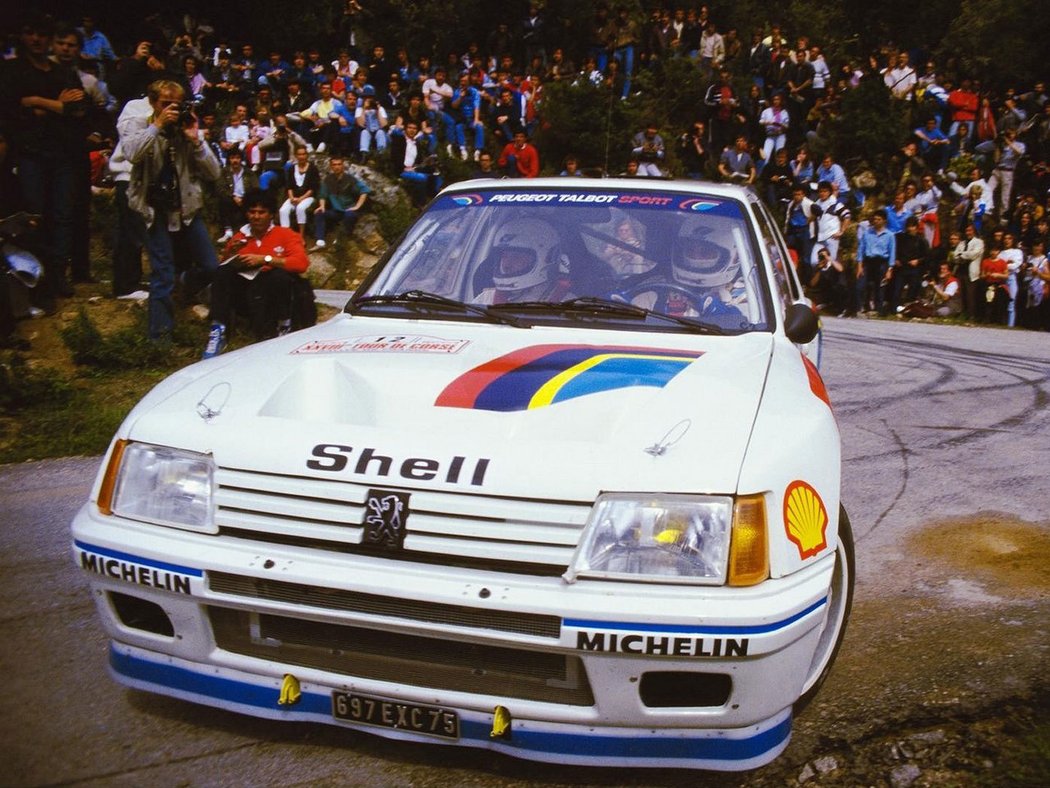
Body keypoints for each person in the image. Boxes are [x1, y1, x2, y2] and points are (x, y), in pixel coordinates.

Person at [121, 79, 221, 340]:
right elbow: (131, 153)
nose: (172, 110)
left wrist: (196, 141)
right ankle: (160, 337)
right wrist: (157, 127)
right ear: (153, 103)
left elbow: (214, 172)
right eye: (165, 104)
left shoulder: (186, 128)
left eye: (176, 105)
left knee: (211, 266)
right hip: (154, 209)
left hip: (186, 208)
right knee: (162, 272)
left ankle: (186, 282)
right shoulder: (142, 124)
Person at [204, 189, 310, 358]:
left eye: (262, 212)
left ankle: (284, 325)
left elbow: (301, 264)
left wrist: (266, 259)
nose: (256, 216)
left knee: (279, 276)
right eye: (252, 212)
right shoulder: (240, 237)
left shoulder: (286, 234)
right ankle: (218, 329)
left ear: (271, 215)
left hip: (276, 290)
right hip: (248, 290)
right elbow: (225, 267)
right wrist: (231, 254)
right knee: (222, 273)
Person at [473, 219, 569, 304]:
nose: (507, 265)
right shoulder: (485, 300)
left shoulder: (568, 304)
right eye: (504, 256)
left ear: (547, 258)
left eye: (517, 257)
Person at [312, 155, 370, 249]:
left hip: (349, 210)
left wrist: (357, 206)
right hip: (336, 211)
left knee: (349, 215)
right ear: (331, 166)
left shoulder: (350, 179)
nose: (337, 167)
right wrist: (322, 206)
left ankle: (341, 239)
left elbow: (364, 190)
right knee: (319, 213)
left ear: (343, 165)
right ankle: (320, 241)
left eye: (339, 164)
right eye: (334, 165)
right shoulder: (328, 180)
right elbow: (322, 194)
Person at [856, 209, 896, 315]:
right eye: (875, 219)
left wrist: (890, 269)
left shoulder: (890, 235)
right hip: (868, 261)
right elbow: (861, 250)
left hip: (882, 262)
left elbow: (892, 253)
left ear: (884, 221)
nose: (876, 221)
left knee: (880, 287)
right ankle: (860, 307)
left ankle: (878, 309)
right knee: (861, 285)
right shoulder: (867, 233)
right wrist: (859, 266)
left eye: (879, 219)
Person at [216, 149, 259, 243]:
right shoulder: (224, 172)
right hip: (231, 198)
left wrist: (244, 198)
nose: (235, 160)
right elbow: (220, 188)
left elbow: (255, 187)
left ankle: (247, 231)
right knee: (223, 201)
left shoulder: (248, 172)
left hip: (246, 198)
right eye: (232, 158)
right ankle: (228, 232)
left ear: (241, 159)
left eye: (237, 158)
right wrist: (233, 197)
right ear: (229, 160)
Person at [278, 145, 320, 238]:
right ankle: (286, 237)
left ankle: (301, 237)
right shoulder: (292, 169)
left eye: (303, 154)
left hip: (308, 197)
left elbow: (313, 188)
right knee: (283, 210)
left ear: (307, 155)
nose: (301, 157)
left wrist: (301, 198)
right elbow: (289, 186)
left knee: (300, 208)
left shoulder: (312, 169)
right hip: (294, 197)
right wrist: (291, 197)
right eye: (299, 154)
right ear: (296, 156)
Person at [891, 215, 930, 314]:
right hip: (901, 268)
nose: (910, 229)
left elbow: (927, 256)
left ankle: (909, 311)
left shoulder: (921, 240)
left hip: (914, 269)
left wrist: (918, 261)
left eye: (912, 226)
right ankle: (894, 310)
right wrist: (896, 259)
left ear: (916, 227)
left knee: (912, 291)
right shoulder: (900, 238)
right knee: (896, 291)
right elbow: (894, 249)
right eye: (908, 226)